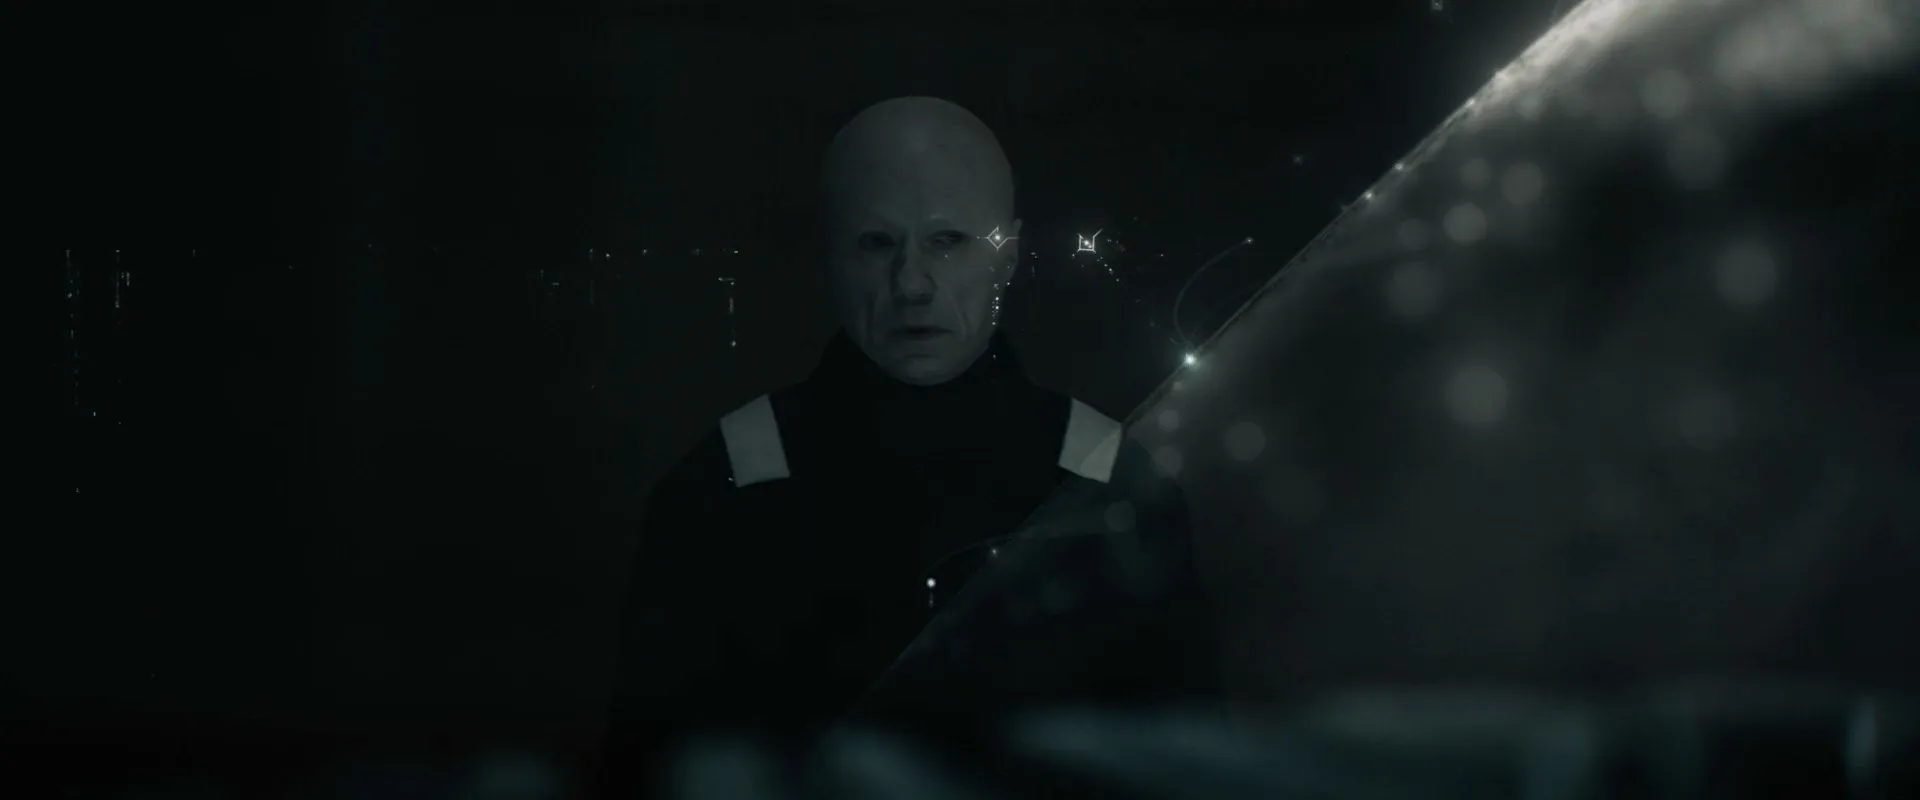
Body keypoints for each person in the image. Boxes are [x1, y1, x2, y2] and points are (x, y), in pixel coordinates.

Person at [600, 96, 1217, 797]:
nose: (912, 284)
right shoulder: (721, 488)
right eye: (876, 243)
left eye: (947, 240)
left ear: (1008, 257)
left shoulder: (1113, 487)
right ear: (830, 256)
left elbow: (1187, 767)